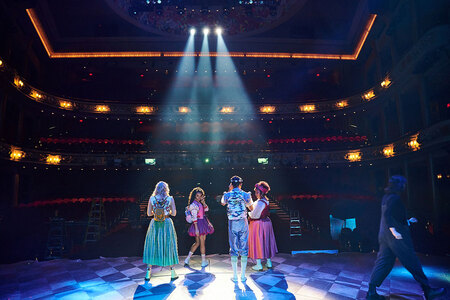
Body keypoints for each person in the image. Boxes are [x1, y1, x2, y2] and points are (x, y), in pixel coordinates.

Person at [366, 175, 446, 300]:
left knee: (384, 262)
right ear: (399, 185)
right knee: (411, 261)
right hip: (396, 237)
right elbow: (388, 216)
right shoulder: (395, 199)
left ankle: (371, 292)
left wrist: (407, 221)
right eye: (403, 184)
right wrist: (395, 232)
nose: (405, 186)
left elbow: (392, 217)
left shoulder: (386, 197)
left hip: (385, 236)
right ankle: (428, 291)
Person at [143, 181, 179, 281]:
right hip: (167, 223)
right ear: (166, 189)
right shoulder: (170, 198)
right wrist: (169, 211)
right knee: (169, 246)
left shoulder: (152, 198)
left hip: (155, 223)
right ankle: (172, 272)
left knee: (152, 246)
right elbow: (174, 213)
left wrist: (157, 211)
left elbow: (149, 213)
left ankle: (148, 273)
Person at [221, 175, 254, 282]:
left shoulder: (227, 195)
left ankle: (235, 276)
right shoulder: (246, 194)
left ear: (231, 184)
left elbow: (222, 203)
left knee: (234, 247)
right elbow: (251, 208)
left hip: (232, 223)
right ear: (241, 184)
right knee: (244, 247)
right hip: (243, 222)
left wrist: (229, 190)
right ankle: (243, 276)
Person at [248, 181, 278, 271]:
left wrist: (248, 212)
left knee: (258, 242)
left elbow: (254, 215)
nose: (256, 193)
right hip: (266, 223)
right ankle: (268, 262)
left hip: (259, 224)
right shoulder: (264, 201)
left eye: (257, 192)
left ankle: (258, 264)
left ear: (261, 192)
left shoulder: (260, 202)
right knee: (266, 242)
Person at [184, 187, 214, 267]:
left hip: (202, 222)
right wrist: (197, 228)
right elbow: (194, 217)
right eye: (197, 196)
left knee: (197, 243)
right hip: (198, 224)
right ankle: (203, 261)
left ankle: (187, 259)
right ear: (194, 196)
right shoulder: (194, 205)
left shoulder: (199, 203)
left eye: (201, 196)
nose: (199, 197)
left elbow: (206, 209)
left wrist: (203, 202)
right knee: (202, 243)